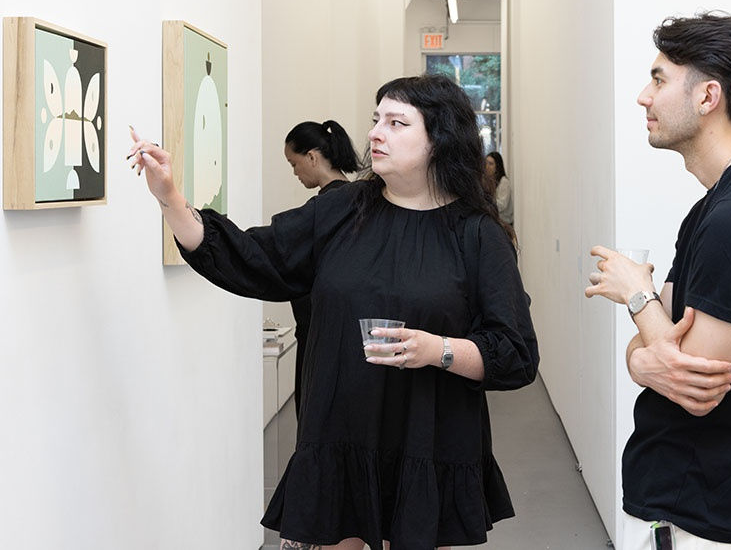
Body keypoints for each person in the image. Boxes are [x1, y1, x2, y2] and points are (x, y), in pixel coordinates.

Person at [128, 74, 539, 550]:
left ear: (439, 139)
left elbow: (515, 353)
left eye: (396, 122)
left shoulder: (477, 235)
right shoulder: (342, 208)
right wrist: (170, 198)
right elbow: (251, 256)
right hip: (340, 432)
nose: (374, 133)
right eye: (375, 119)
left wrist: (437, 350)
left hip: (428, 439)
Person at [585, 12, 731, 550]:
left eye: (660, 79)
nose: (645, 96)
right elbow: (658, 350)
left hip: (694, 507)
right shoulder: (720, 205)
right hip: (692, 496)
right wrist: (641, 361)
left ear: (708, 96)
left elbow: (694, 390)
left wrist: (633, 291)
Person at [283, 119, 360, 415]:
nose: (295, 173)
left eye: (294, 163)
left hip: (323, 336)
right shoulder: (358, 199)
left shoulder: (327, 208)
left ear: (313, 157)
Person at [484, 151, 513, 226]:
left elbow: (502, 205)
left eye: (491, 164)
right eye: (486, 163)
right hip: (493, 222)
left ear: (497, 166)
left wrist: (486, 202)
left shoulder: (504, 182)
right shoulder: (487, 181)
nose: (487, 166)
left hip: (504, 224)